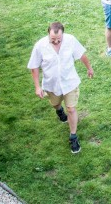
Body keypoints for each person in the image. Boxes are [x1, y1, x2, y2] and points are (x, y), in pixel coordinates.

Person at [27, 21, 94, 154]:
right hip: (52, 84)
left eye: (59, 39)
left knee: (71, 108)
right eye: (53, 39)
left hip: (70, 82)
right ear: (48, 34)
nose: (56, 42)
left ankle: (73, 136)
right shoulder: (40, 46)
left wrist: (89, 68)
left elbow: (81, 55)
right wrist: (37, 87)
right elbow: (34, 67)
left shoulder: (70, 40)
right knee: (55, 103)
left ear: (63, 34)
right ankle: (59, 110)